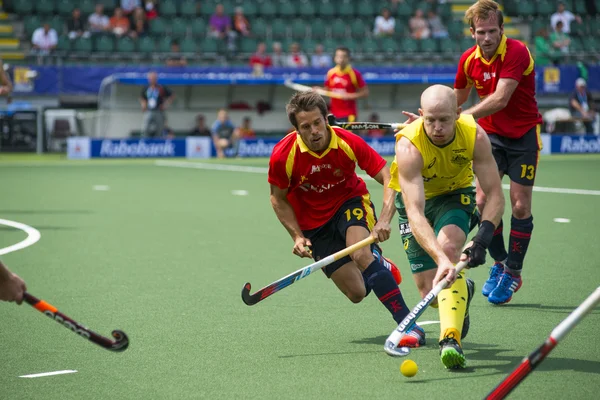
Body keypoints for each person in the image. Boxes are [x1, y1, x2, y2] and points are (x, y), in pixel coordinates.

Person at [268, 91, 422, 348]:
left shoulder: (346, 142)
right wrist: (296, 235)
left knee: (361, 255)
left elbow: (387, 176)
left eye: (318, 122)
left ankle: (408, 324)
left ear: (326, 119)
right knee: (357, 293)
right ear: (296, 129)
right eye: (306, 127)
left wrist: (384, 218)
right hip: (314, 225)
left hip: (349, 203)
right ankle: (380, 263)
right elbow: (277, 199)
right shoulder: (283, 155)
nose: (314, 131)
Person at [391, 85, 505, 368]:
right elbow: (415, 212)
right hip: (415, 205)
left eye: (444, 119)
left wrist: (482, 239)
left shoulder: (474, 134)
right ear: (420, 115)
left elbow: (494, 194)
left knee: (450, 247)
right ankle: (462, 287)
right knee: (431, 293)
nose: (438, 127)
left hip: (454, 195)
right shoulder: (408, 145)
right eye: (430, 120)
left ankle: (450, 339)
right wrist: (440, 261)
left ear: (458, 113)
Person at [454, 0, 543, 305]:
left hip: (523, 137)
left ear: (502, 30)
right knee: (482, 200)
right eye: (482, 32)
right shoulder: (468, 60)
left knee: (519, 206)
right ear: (472, 33)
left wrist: (463, 118)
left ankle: (514, 272)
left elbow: (501, 98)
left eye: (493, 31)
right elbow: (456, 102)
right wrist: (434, 119)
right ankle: (501, 263)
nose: (488, 37)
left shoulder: (516, 51)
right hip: (490, 137)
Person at [314, 47, 369, 122]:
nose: (341, 59)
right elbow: (328, 89)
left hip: (349, 115)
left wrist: (350, 96)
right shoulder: (331, 73)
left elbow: (365, 93)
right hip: (333, 115)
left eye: (344, 56)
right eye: (338, 56)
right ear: (335, 58)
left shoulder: (354, 74)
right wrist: (319, 90)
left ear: (348, 58)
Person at [139, 72, 174, 137]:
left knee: (159, 128)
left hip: (158, 111)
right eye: (151, 78)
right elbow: (142, 97)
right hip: (149, 110)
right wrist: (143, 105)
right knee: (146, 127)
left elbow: (171, 95)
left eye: (153, 78)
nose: (152, 80)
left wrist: (165, 104)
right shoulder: (146, 88)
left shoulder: (161, 87)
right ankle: (146, 141)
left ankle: (158, 141)